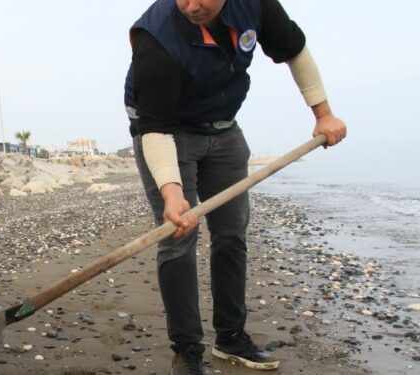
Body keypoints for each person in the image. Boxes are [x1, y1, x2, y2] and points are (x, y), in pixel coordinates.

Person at [124, 1, 347, 374]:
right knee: (178, 240)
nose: (192, 6)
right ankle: (187, 350)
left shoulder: (255, 6)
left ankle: (231, 337)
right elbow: (156, 128)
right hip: (167, 132)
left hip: (224, 128)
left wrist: (323, 114)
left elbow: (294, 50)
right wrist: (172, 192)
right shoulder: (156, 37)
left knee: (231, 235)